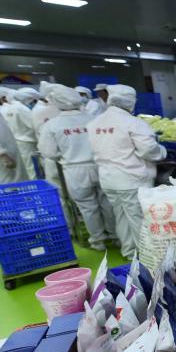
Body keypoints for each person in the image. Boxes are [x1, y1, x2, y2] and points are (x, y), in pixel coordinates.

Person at [88, 84, 166, 260]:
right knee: (138, 219)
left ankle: (130, 252)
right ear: (130, 101)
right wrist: (162, 152)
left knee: (121, 216)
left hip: (108, 178)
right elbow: (149, 150)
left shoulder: (95, 122)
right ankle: (146, 257)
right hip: (131, 179)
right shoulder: (133, 123)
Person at [38, 85, 116, 251]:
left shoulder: (52, 124)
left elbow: (49, 152)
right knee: (107, 202)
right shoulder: (94, 118)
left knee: (87, 207)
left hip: (75, 169)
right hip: (100, 166)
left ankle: (98, 241)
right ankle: (115, 236)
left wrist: (65, 153)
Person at [0, 87, 40, 179]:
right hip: (27, 142)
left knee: (27, 167)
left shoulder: (10, 108)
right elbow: (33, 125)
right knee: (33, 168)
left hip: (18, 141)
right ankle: (35, 185)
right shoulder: (21, 108)